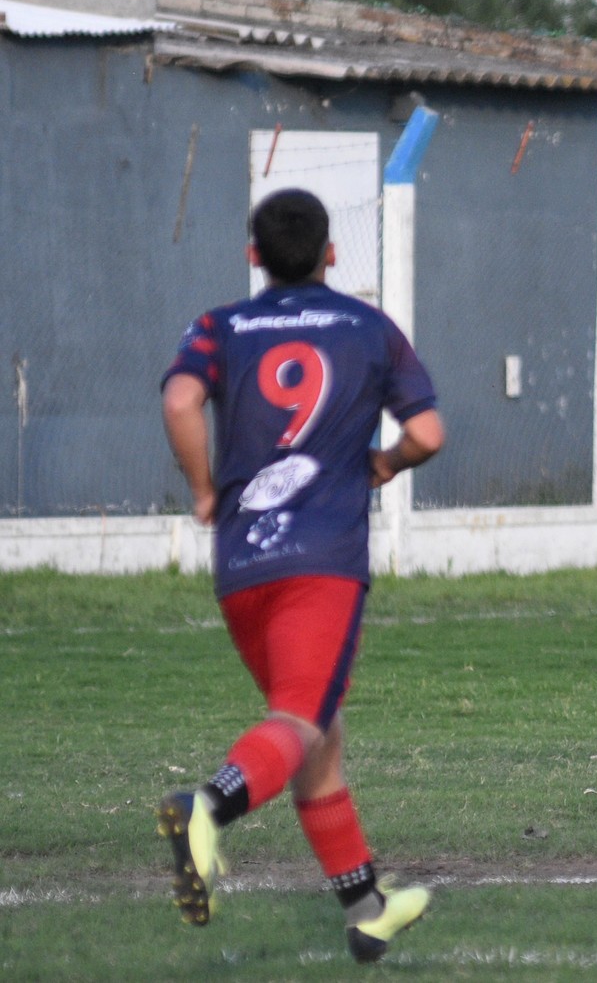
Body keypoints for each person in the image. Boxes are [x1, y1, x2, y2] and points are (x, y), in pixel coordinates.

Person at [156, 188, 444, 963]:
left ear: (254, 257)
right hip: (323, 559)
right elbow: (428, 431)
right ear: (332, 254)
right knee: (302, 721)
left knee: (319, 736)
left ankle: (367, 908)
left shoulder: (221, 324)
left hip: (242, 564)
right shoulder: (367, 327)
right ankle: (206, 808)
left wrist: (204, 489)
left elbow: (181, 398)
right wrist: (386, 460)